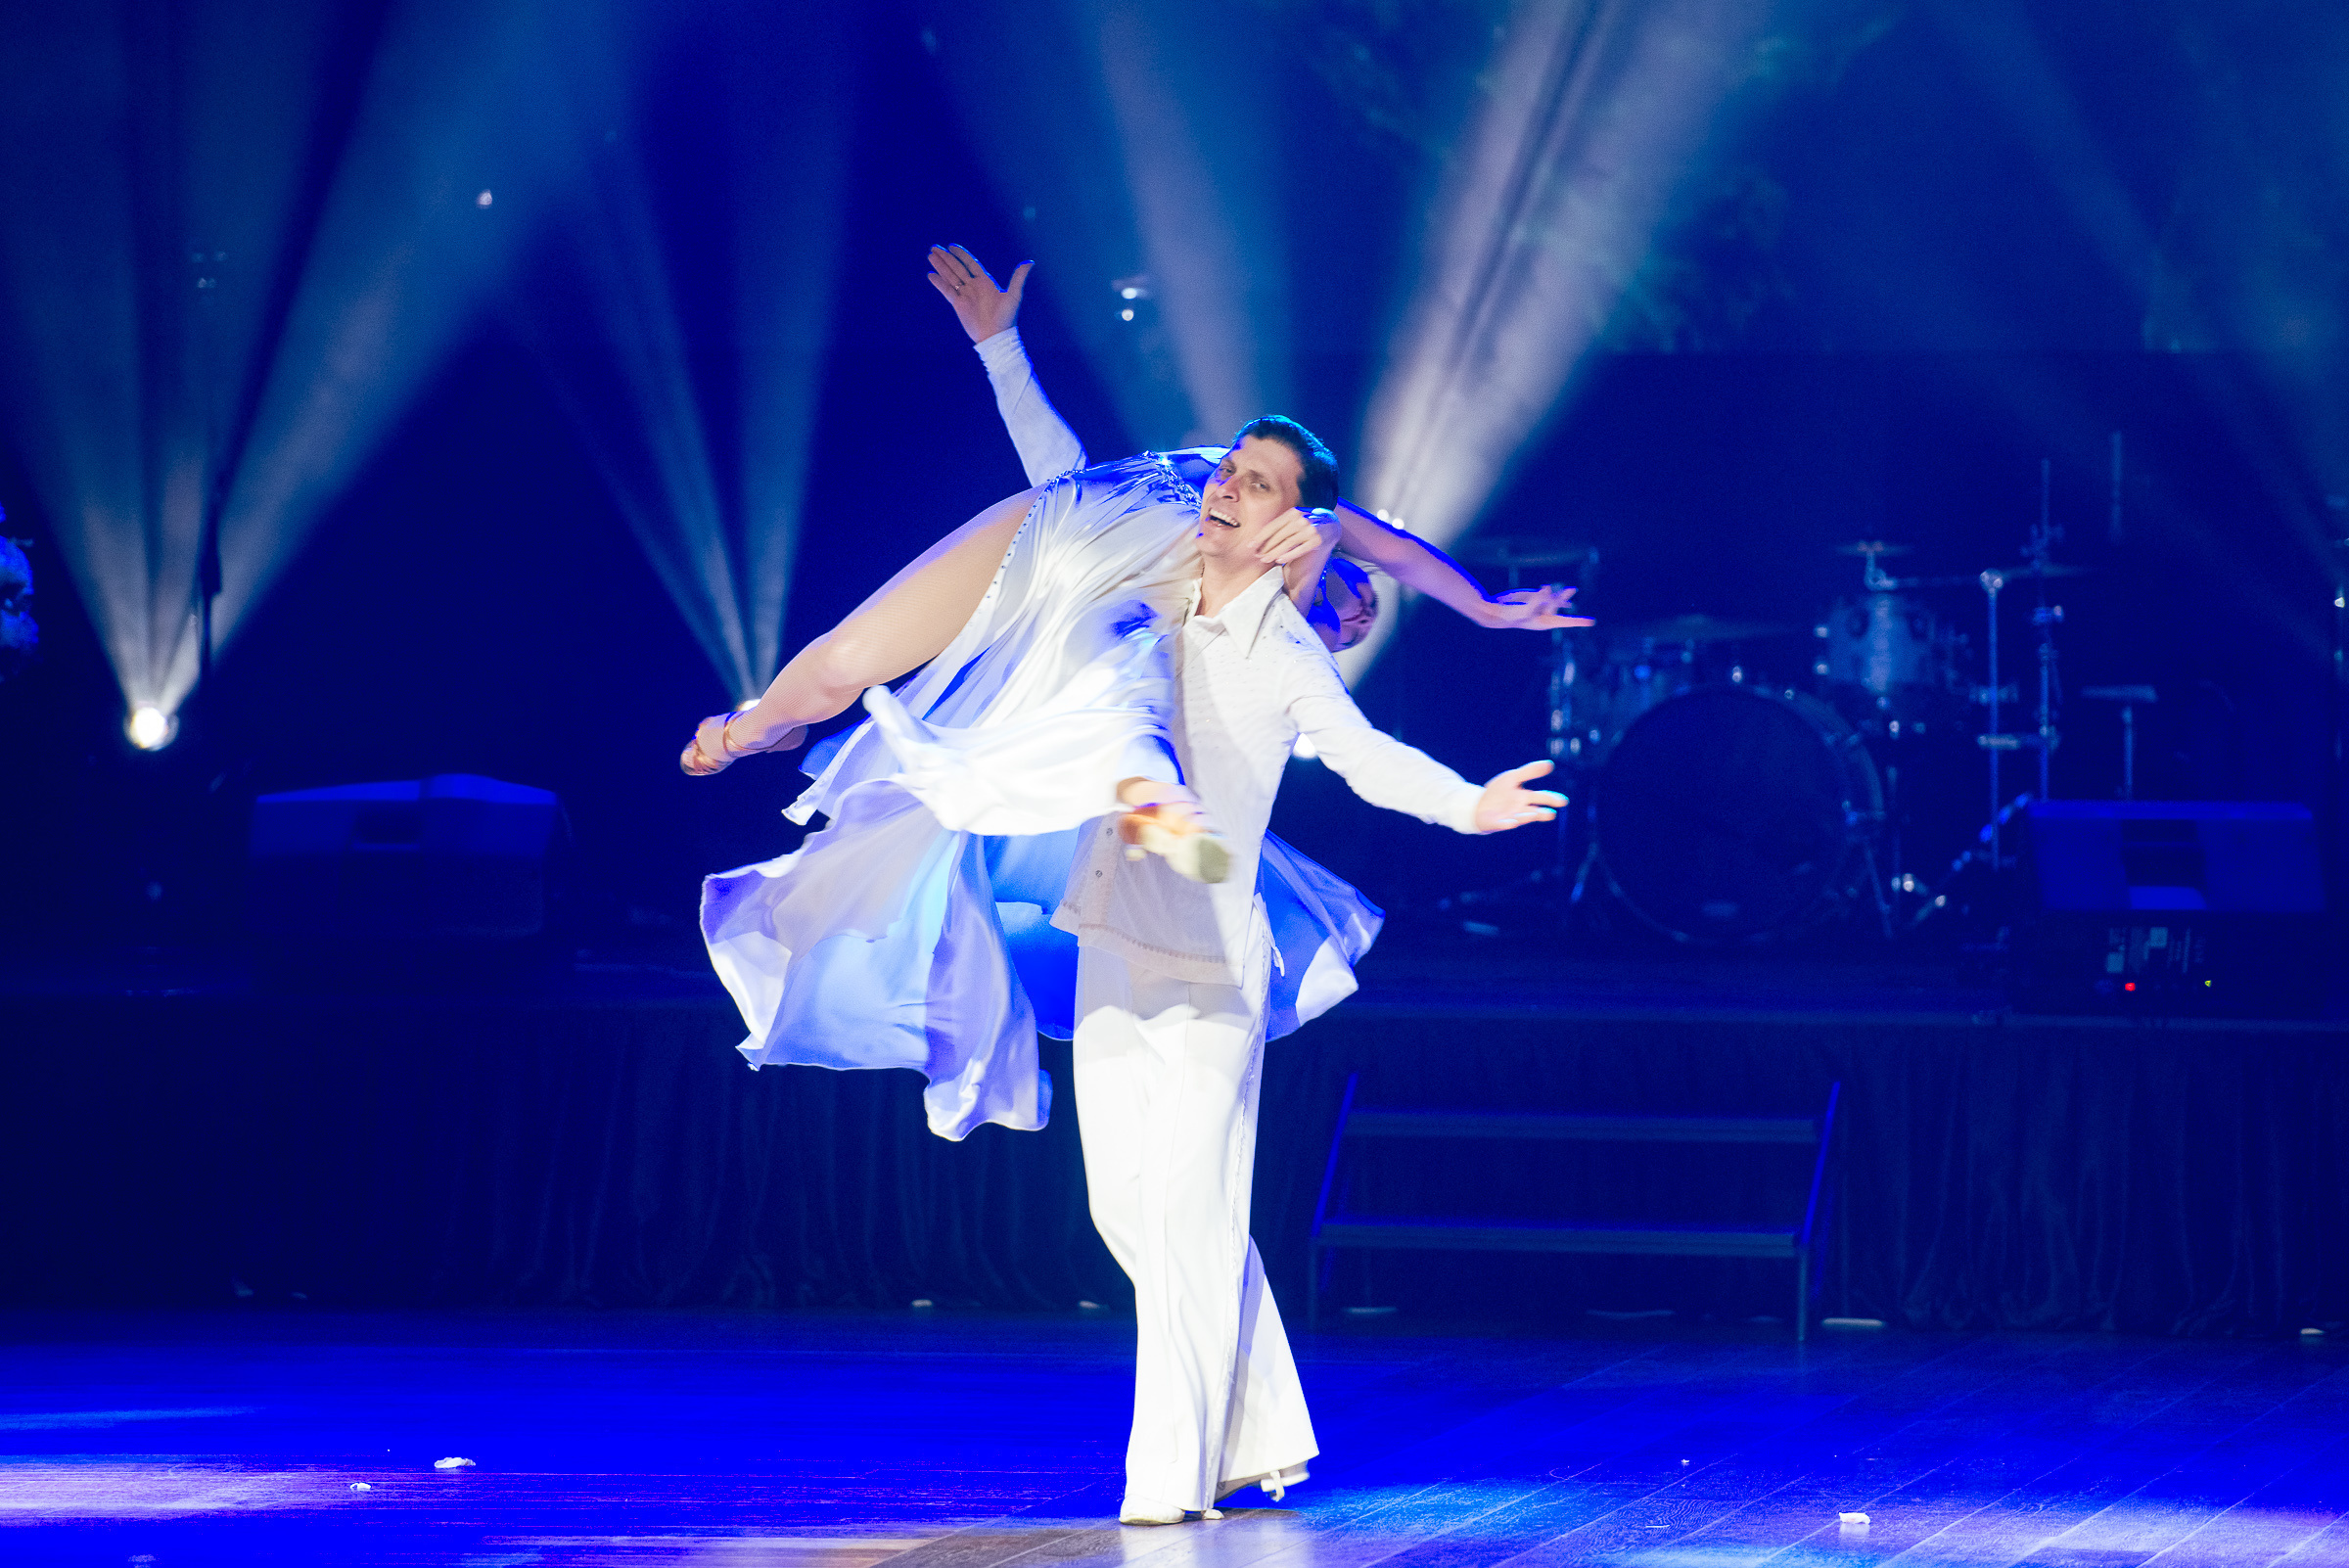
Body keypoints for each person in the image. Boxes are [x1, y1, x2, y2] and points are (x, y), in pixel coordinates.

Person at [1051, 417, 1562, 1524]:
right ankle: (1266, 1427)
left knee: (1189, 1212)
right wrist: (1001, 352)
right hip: (1112, 928)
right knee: (1124, 1210)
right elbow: (1057, 483)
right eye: (1229, 470)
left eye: (1259, 483)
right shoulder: (1147, 592)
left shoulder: (1285, 652)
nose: (1227, 488)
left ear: (1295, 524)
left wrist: (1470, 805)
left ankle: (1165, 1485)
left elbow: (1368, 758)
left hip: (1214, 955)